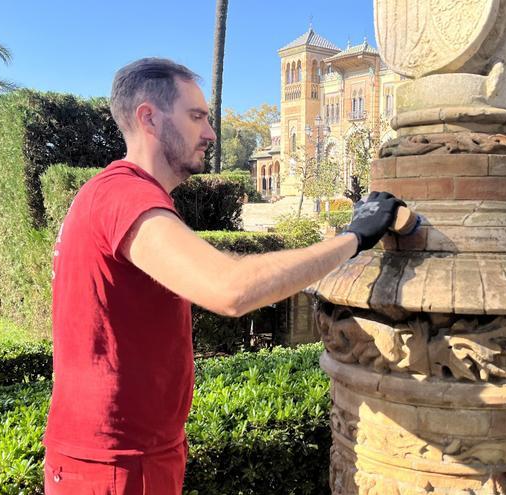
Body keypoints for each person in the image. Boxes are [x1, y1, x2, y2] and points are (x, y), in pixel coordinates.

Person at [42, 57, 405, 494]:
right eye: (196, 117)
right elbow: (230, 288)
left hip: (122, 454)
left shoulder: (108, 194)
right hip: (117, 463)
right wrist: (354, 238)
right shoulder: (124, 195)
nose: (211, 133)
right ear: (148, 118)